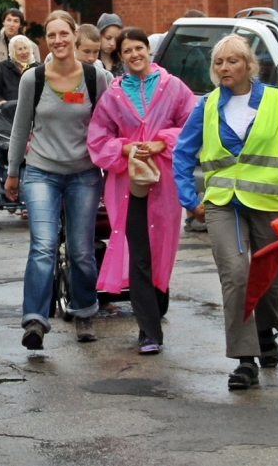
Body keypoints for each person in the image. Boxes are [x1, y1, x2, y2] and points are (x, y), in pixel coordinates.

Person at [173, 34, 278, 391]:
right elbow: (182, 152)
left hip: (271, 203)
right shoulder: (206, 106)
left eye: (232, 61)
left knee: (270, 278)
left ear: (248, 65)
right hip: (223, 204)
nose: (224, 68)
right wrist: (189, 199)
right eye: (219, 63)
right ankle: (245, 360)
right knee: (236, 275)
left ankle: (266, 333)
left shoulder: (275, 101)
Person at [87, 28, 195, 355]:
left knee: (161, 247)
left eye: (139, 48)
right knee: (138, 251)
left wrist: (163, 141)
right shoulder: (114, 95)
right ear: (120, 57)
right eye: (127, 51)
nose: (134, 55)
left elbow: (192, 125)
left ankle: (157, 301)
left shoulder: (174, 87)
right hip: (128, 183)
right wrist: (125, 148)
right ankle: (149, 331)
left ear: (149, 50)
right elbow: (98, 137)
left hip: (164, 181)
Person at [5, 11, 108, 349]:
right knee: (44, 245)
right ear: (45, 40)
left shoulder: (96, 78)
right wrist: (12, 171)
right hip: (41, 172)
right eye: (52, 35)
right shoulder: (32, 79)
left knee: (81, 249)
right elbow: (20, 129)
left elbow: (110, 125)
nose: (59, 41)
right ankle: (34, 320)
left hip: (84, 173)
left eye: (64, 34)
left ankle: (84, 313)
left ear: (75, 36)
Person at [0, 7, 40, 97]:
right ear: (3, 22)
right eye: (9, 20)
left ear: (20, 25)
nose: (11, 24)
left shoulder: (31, 46)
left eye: (15, 21)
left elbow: (37, 75)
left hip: (25, 95)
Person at [0, 35, 38, 107]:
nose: (24, 52)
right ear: (12, 51)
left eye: (26, 48)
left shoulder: (38, 68)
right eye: (20, 49)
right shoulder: (0, 68)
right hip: (7, 111)